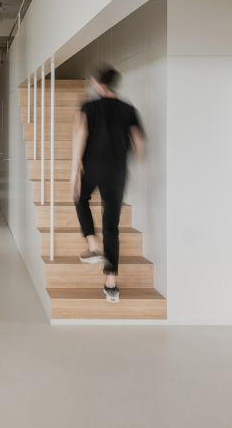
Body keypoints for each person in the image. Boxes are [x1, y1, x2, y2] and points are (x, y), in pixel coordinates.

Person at [69, 64, 145, 302]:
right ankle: (111, 284)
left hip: (93, 168)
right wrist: (129, 155)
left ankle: (93, 245)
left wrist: (74, 172)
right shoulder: (128, 109)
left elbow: (80, 136)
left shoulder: (88, 107)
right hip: (117, 172)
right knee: (111, 226)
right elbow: (139, 144)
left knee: (80, 198)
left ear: (97, 83)